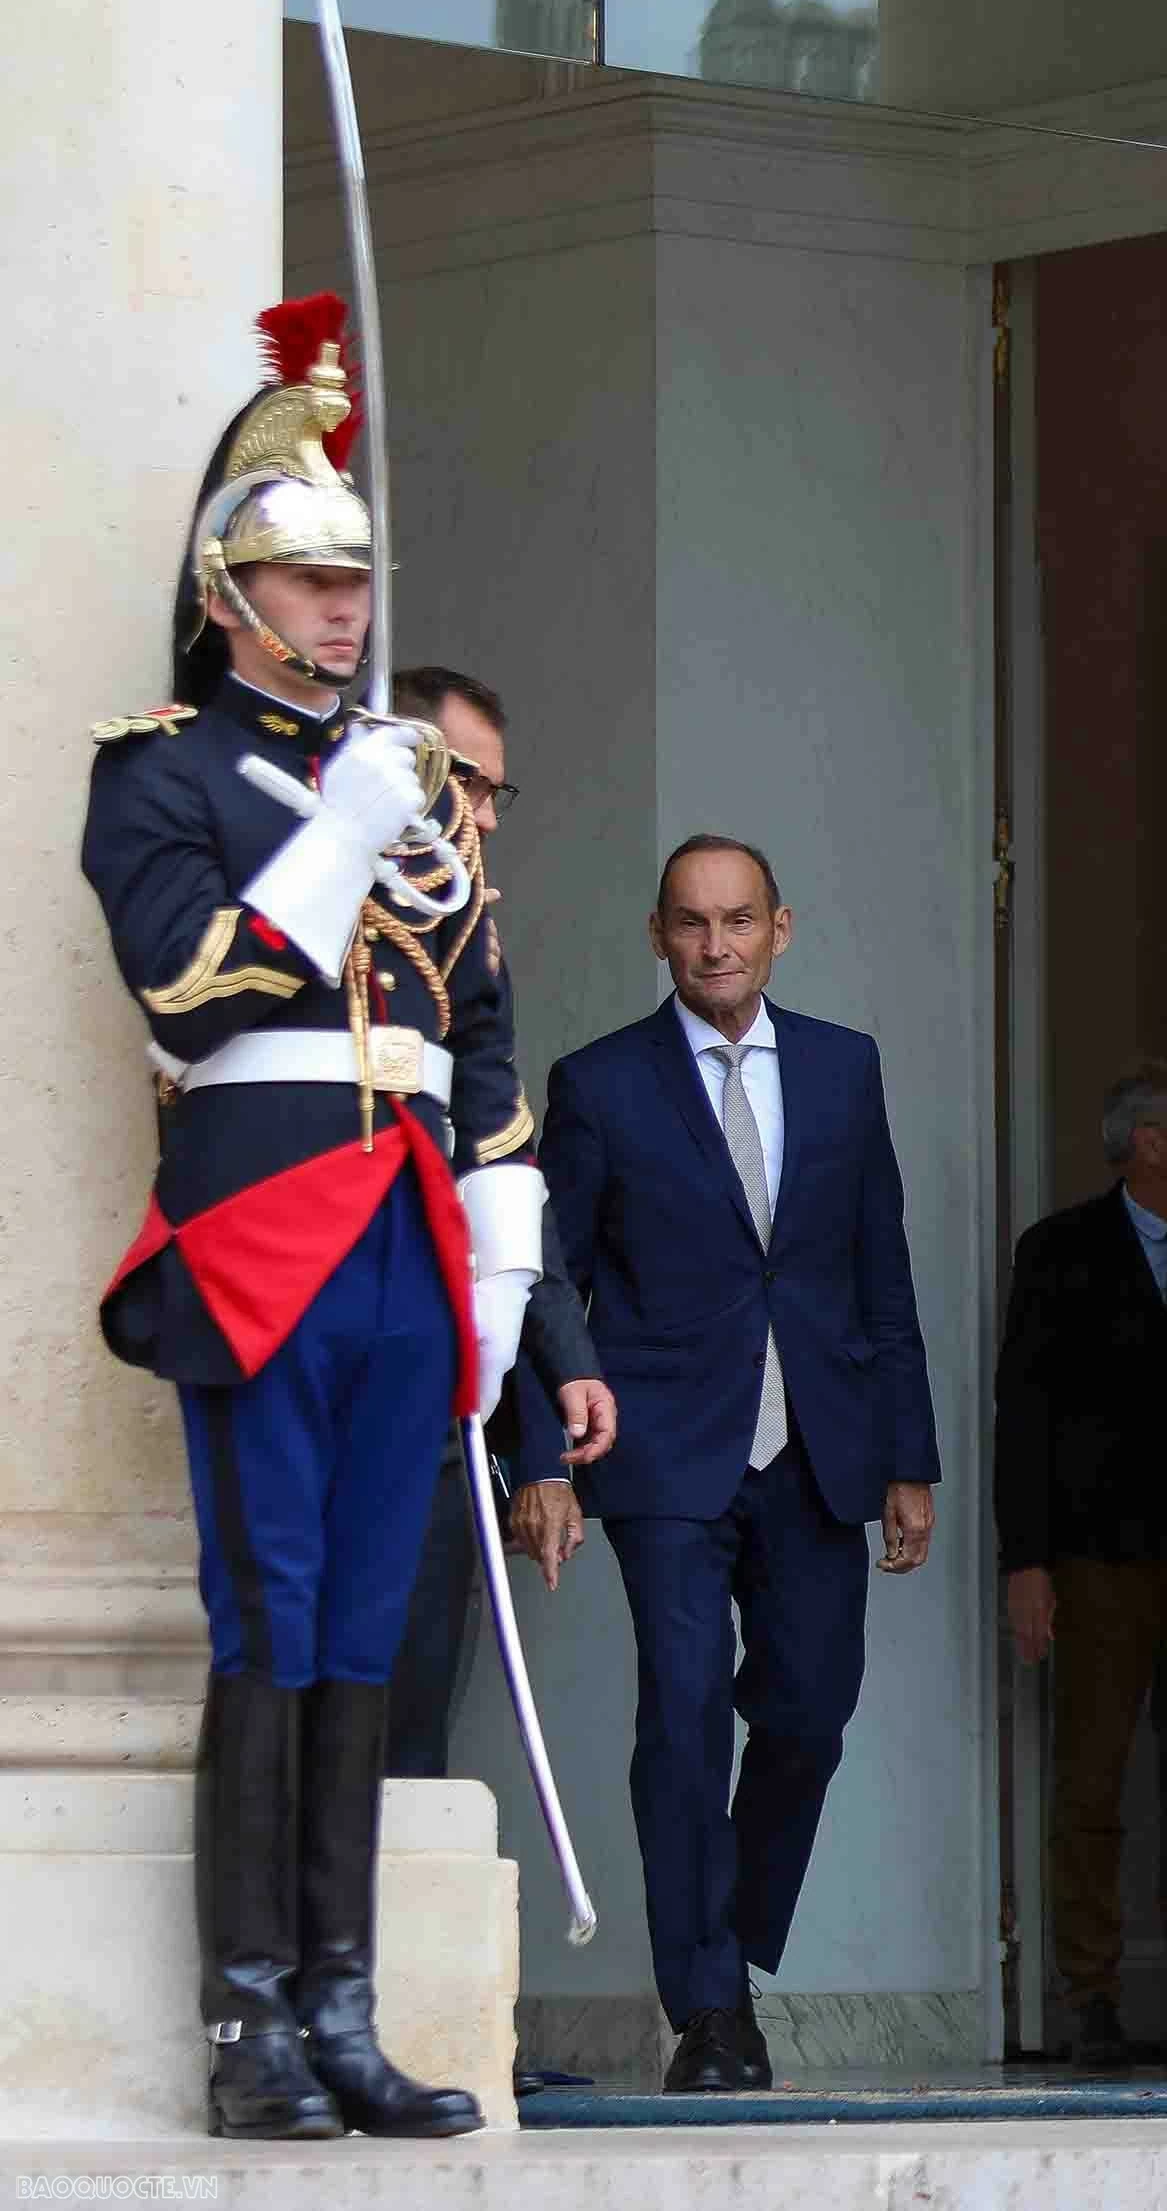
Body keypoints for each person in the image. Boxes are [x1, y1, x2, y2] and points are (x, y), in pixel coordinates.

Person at [81, 296, 540, 2140]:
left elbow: (480, 1015)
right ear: (228, 597)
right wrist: (335, 828)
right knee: (269, 1608)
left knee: (369, 1617)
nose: (344, 611)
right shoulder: (162, 771)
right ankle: (251, 2022)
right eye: (306, 581)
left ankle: (348, 2010)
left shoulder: (413, 782)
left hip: (409, 1232)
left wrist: (504, 1250)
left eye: (356, 580)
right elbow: (185, 985)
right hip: (266, 1221)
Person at [531, 833, 943, 2094]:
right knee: (688, 1707)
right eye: (692, 924)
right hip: (658, 1451)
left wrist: (907, 1455)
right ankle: (710, 2006)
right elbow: (554, 1279)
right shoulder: (599, 1083)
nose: (717, 946)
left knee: (810, 1707)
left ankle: (735, 1926)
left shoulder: (842, 1067)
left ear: (781, 929)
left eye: (740, 921)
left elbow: (880, 1266)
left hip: (819, 1443)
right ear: (658, 936)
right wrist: (546, 1454)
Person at [992, 1058, 1167, 2072]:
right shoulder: (1059, 1251)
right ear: (1144, 1141)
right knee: (1090, 1785)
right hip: (1098, 1555)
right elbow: (1026, 1414)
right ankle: (1088, 1998)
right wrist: (1027, 1562)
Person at [378, 668, 616, 1785]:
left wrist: (559, 1357)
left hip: (436, 1383)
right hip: (306, 1347)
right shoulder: (317, 905)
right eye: (461, 780)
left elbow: (504, 1166)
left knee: (415, 1721)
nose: (479, 814)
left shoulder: (472, 943)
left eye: (491, 795)